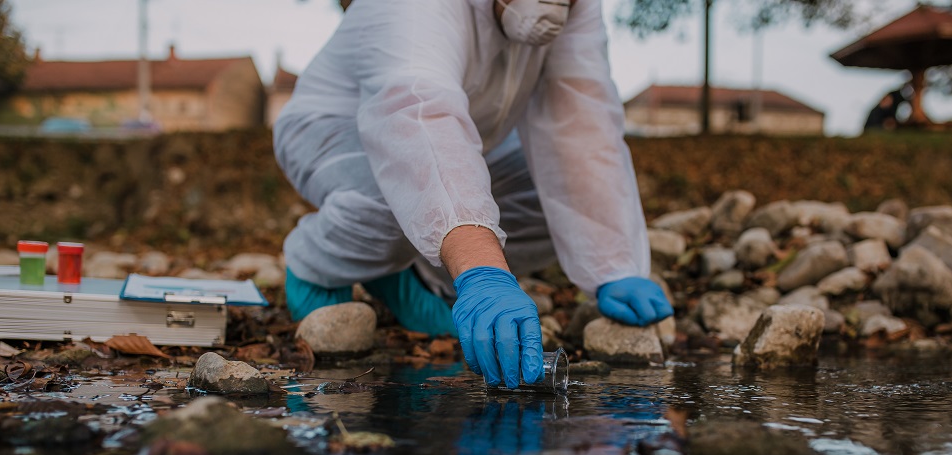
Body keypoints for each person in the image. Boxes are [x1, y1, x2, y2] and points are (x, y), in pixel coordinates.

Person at [274, 0, 673, 389]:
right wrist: (482, 270)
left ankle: (414, 274)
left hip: (471, 135)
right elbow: (418, 119)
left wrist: (612, 264)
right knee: (399, 198)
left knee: (550, 200)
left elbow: (580, 123)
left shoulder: (578, 9)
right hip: (336, 130)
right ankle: (316, 265)